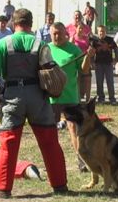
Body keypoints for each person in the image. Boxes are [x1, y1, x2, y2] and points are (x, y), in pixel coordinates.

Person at [0, 8, 67, 198]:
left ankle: (2, 189)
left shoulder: (4, 43)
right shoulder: (41, 44)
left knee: (8, 143)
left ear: (14, 24)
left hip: (13, 96)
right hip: (38, 96)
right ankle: (60, 185)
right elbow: (50, 71)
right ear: (31, 23)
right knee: (49, 141)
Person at [48, 22, 94, 172]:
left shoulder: (73, 49)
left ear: (65, 33)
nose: (57, 36)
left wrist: (88, 56)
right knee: (49, 131)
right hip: (51, 98)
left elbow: (84, 69)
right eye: (54, 33)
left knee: (74, 129)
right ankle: (52, 161)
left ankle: (82, 161)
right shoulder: (46, 49)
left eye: (60, 33)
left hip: (70, 97)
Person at [94, 25, 117, 104]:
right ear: (98, 32)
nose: (101, 33)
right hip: (98, 63)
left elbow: (116, 49)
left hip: (108, 63)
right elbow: (92, 51)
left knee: (110, 81)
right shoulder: (95, 41)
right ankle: (101, 97)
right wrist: (91, 62)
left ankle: (112, 98)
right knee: (99, 82)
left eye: (103, 31)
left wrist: (116, 59)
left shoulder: (110, 40)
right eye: (100, 31)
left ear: (105, 32)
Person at [69, 22, 91, 101]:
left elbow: (89, 49)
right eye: (79, 28)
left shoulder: (86, 38)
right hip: (76, 61)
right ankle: (77, 98)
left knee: (87, 80)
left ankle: (88, 99)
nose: (81, 29)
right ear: (76, 29)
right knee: (77, 80)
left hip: (85, 60)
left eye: (82, 28)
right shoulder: (73, 38)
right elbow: (70, 50)